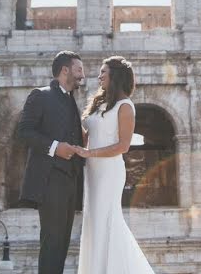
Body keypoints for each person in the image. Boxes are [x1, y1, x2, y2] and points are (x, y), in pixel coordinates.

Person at [74, 56, 155, 274]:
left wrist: (90, 152)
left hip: (109, 171)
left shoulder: (125, 106)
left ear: (115, 76)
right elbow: (88, 135)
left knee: (107, 220)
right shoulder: (99, 103)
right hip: (92, 170)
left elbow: (123, 146)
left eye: (103, 72)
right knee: (93, 221)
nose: (99, 76)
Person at [17, 50, 86, 274]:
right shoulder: (41, 95)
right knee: (52, 242)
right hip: (49, 180)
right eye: (79, 70)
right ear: (64, 70)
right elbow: (25, 132)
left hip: (69, 181)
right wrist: (56, 148)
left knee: (62, 243)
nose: (82, 76)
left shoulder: (71, 100)